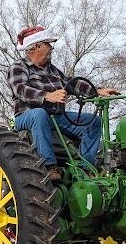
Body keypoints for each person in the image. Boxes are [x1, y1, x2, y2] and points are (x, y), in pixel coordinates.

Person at [7, 26, 119, 181]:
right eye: (48, 44)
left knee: (93, 122)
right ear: (37, 46)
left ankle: (85, 169)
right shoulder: (18, 67)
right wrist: (47, 96)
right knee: (40, 114)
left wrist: (96, 91)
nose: (51, 48)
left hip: (56, 116)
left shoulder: (52, 70)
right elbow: (20, 90)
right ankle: (48, 166)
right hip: (28, 116)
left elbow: (72, 85)